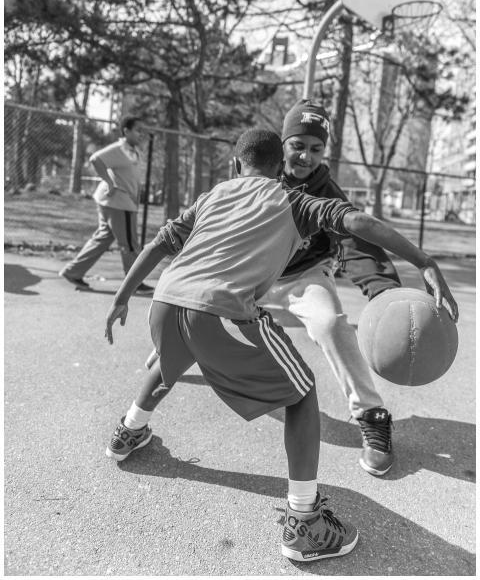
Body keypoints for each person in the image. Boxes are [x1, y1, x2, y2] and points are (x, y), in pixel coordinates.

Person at [104, 129, 457, 562]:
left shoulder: (213, 195)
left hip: (165, 301)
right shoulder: (293, 200)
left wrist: (121, 296)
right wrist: (425, 261)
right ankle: (304, 523)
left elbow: (161, 242)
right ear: (279, 169)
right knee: (303, 393)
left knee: (172, 360)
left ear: (236, 165)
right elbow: (360, 224)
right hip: (221, 310)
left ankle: (128, 431)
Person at [260, 100, 402, 476]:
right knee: (202, 309)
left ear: (324, 152)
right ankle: (167, 359)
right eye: (298, 145)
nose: (306, 155)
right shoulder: (259, 176)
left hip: (305, 277)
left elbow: (355, 242)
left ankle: (371, 413)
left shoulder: (327, 191)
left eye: (316, 148)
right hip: (258, 276)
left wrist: (384, 290)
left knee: (330, 323)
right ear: (283, 143)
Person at [59, 114, 153, 294]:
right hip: (118, 202)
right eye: (138, 130)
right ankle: (134, 283)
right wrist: (110, 182)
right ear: (126, 131)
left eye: (143, 131)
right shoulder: (119, 148)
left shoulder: (132, 151)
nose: (141, 134)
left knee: (102, 239)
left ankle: (73, 272)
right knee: (130, 244)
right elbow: (96, 159)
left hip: (120, 202)